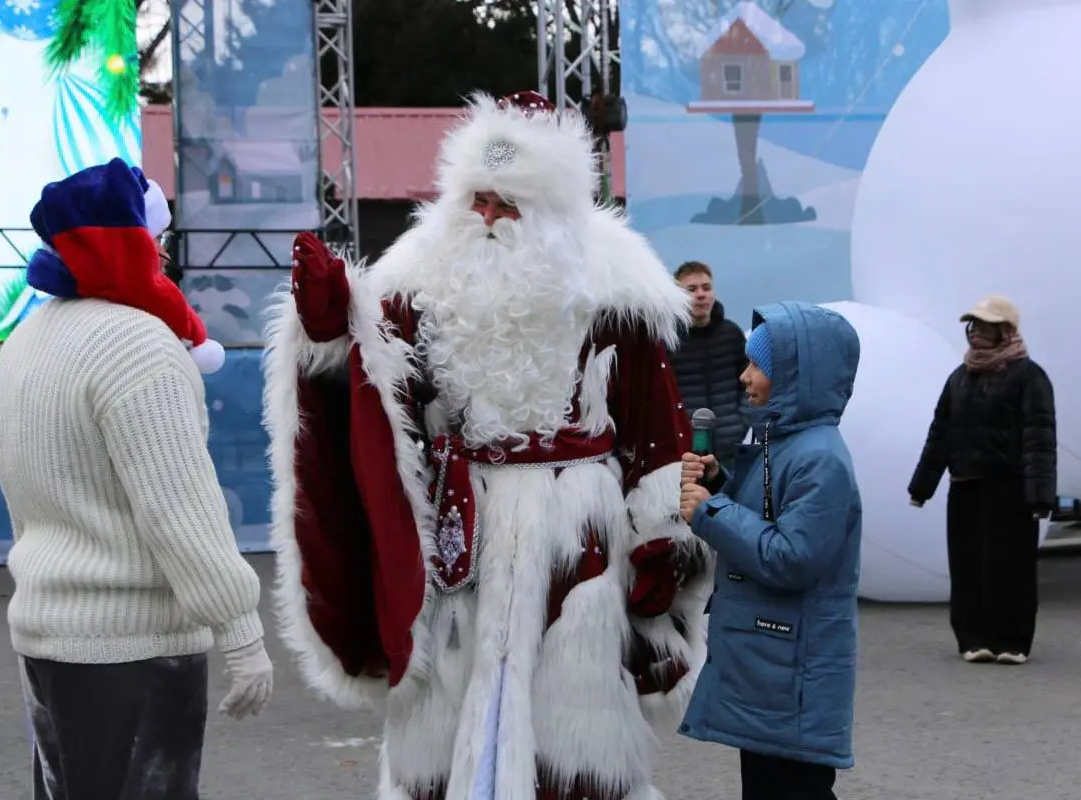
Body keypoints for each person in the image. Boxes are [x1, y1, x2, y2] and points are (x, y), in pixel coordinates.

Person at [262, 91, 713, 800]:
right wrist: (325, 336)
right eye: (477, 198)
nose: (490, 216)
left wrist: (662, 536)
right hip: (457, 536)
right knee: (444, 715)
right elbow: (377, 409)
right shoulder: (412, 279)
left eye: (510, 202)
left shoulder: (615, 288)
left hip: (578, 538)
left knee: (572, 734)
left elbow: (657, 432)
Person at [0, 158, 274, 799]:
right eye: (160, 240)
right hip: (133, 646)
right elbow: (180, 508)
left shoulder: (24, 340)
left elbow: (22, 493)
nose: (167, 257)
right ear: (131, 241)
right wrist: (240, 631)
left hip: (46, 637)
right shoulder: (140, 346)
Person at [678, 301, 862, 800]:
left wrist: (710, 513)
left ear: (797, 377)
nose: (744, 377)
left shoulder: (820, 458)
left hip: (791, 669)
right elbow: (767, 517)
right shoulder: (784, 441)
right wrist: (718, 486)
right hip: (770, 665)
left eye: (757, 366)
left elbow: (792, 557)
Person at [908, 295, 1056, 666]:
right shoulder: (959, 378)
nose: (975, 334)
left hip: (1011, 490)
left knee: (1012, 566)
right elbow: (939, 434)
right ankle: (973, 638)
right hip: (965, 486)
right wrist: (921, 487)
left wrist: (1040, 496)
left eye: (985, 326)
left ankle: (1013, 641)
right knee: (967, 565)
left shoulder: (1029, 376)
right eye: (973, 326)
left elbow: (1039, 439)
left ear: (1005, 331)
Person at [668, 261, 748, 456]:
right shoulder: (667, 341)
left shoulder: (732, 334)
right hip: (685, 453)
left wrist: (742, 423)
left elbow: (749, 383)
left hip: (731, 448)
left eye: (706, 287)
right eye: (691, 289)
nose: (701, 294)